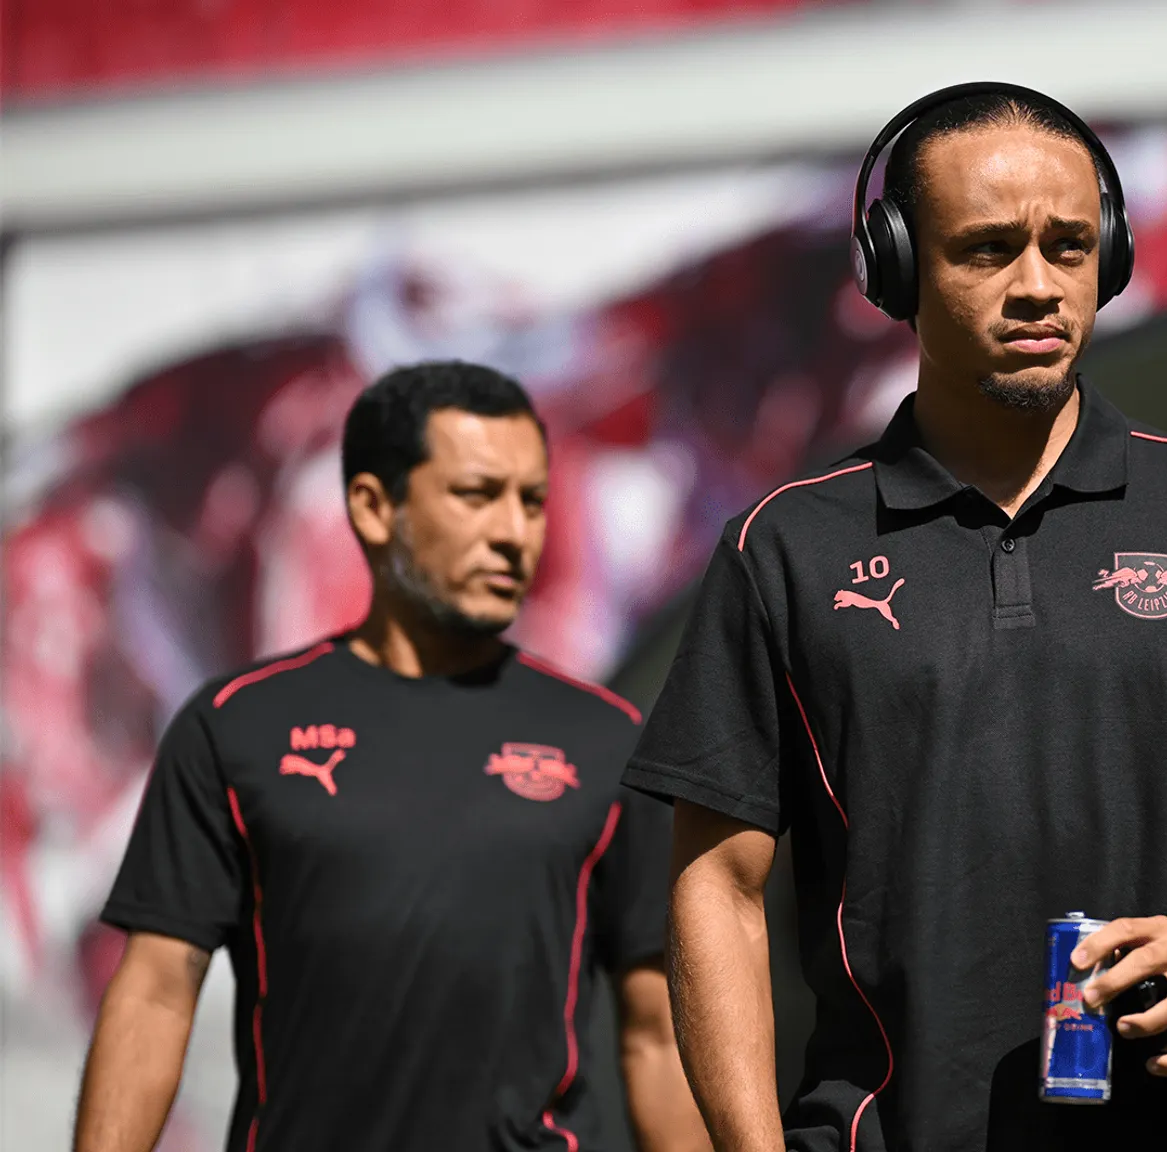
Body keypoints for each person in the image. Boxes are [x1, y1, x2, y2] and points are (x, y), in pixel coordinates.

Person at [623, 83, 1167, 1152]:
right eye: (986, 250)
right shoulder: (782, 548)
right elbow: (716, 885)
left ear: (1114, 258)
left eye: (1069, 246)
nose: (1037, 286)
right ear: (893, 270)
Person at [74, 362, 710, 1152]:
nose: (515, 532)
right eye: (478, 496)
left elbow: (656, 1035)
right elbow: (158, 993)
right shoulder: (236, 727)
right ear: (375, 508)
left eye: (533, 500)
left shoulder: (609, 741)